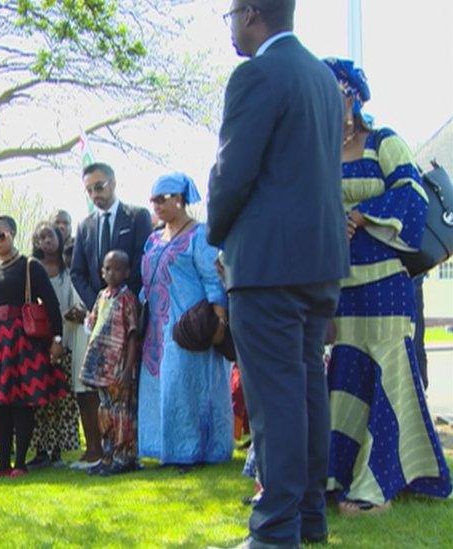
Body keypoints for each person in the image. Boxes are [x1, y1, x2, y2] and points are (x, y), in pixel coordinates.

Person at [207, 2, 350, 546]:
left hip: (268, 263)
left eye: (231, 17)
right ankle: (309, 518)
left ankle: (274, 530)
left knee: (276, 400)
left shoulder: (256, 74)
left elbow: (231, 173)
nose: (232, 31)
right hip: (319, 261)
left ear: (249, 14)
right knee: (307, 390)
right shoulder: (322, 78)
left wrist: (217, 234)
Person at [323, 58, 451, 515]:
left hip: (386, 284)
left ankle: (376, 483)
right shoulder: (317, 152)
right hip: (342, 286)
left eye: (330, 92)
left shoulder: (383, 142)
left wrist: (360, 214)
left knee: (392, 375)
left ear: (351, 96)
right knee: (345, 379)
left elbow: (412, 194)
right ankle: (337, 474)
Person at [139, 173, 233, 470]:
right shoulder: (153, 239)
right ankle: (164, 448)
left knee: (187, 387)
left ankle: (193, 451)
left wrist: (219, 321)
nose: (155, 205)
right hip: (156, 325)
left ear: (179, 199)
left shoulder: (201, 235)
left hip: (191, 324)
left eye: (161, 199)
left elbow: (212, 279)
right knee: (161, 387)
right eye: (152, 199)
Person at [0, 215, 67, 478]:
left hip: (21, 342)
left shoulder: (30, 266)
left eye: (1, 236)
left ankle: (20, 462)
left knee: (21, 401)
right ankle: (2, 463)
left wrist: (56, 339)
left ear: (13, 234)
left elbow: (52, 305)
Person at [81, 251, 142, 476]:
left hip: (120, 366)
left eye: (117, 269)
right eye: (108, 268)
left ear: (126, 272)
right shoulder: (101, 296)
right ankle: (107, 455)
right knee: (104, 411)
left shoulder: (127, 298)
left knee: (122, 412)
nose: (112, 273)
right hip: (102, 367)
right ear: (102, 271)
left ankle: (124, 456)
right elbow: (93, 324)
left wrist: (128, 369)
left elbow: (133, 334)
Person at [28, 221, 81, 468]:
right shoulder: (32, 269)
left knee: (62, 395)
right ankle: (40, 449)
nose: (46, 242)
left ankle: (59, 448)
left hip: (67, 335)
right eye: (41, 238)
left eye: (50, 236)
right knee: (40, 397)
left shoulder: (69, 266)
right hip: (39, 339)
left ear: (59, 237)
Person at [70, 162, 152, 308]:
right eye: (89, 190)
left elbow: (143, 262)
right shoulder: (84, 227)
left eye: (99, 187)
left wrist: (122, 301)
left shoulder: (137, 216)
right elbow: (77, 273)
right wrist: (98, 304)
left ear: (113, 184)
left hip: (130, 309)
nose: (94, 194)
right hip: (98, 313)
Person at [63, 239, 103, 469]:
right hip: (76, 337)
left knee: (92, 393)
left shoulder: (94, 275)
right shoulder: (69, 277)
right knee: (81, 394)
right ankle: (90, 448)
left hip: (92, 336)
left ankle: (100, 448)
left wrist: (85, 314)